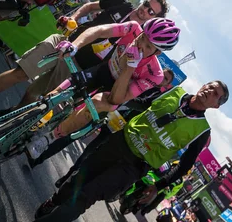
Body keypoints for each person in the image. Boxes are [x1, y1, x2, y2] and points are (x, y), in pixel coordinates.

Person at [8, 80, 230, 222]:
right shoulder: (174, 91)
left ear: (216, 105)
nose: (209, 92)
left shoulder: (201, 131)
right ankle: (55, 200)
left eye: (215, 94)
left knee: (87, 196)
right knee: (78, 180)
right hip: (119, 142)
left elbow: (184, 167)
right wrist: (112, 102)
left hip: (133, 167)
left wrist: (158, 186)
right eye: (210, 87)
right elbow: (142, 103)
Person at [0, 0, 169, 111]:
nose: (145, 10)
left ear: (154, 20)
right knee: (20, 73)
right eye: (146, 4)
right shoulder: (121, 4)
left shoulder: (138, 38)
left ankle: (10, 115)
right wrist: (74, 17)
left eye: (152, 12)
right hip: (66, 44)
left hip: (79, 68)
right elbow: (91, 10)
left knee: (33, 94)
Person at [24, 18, 180, 159]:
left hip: (115, 91)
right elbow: (99, 30)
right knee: (56, 93)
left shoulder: (155, 74)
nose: (140, 44)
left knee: (96, 104)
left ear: (157, 52)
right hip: (103, 70)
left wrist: (129, 68)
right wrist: (74, 45)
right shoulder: (133, 28)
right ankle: (27, 120)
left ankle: (49, 138)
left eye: (147, 46)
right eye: (142, 37)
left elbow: (117, 99)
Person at [29, 69, 174, 174]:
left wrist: (124, 96)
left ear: (166, 85)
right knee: (67, 118)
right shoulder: (143, 78)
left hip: (112, 117)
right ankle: (33, 136)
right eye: (163, 75)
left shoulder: (155, 96)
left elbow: (140, 104)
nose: (162, 79)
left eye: (166, 79)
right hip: (102, 100)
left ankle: (41, 159)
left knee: (72, 135)